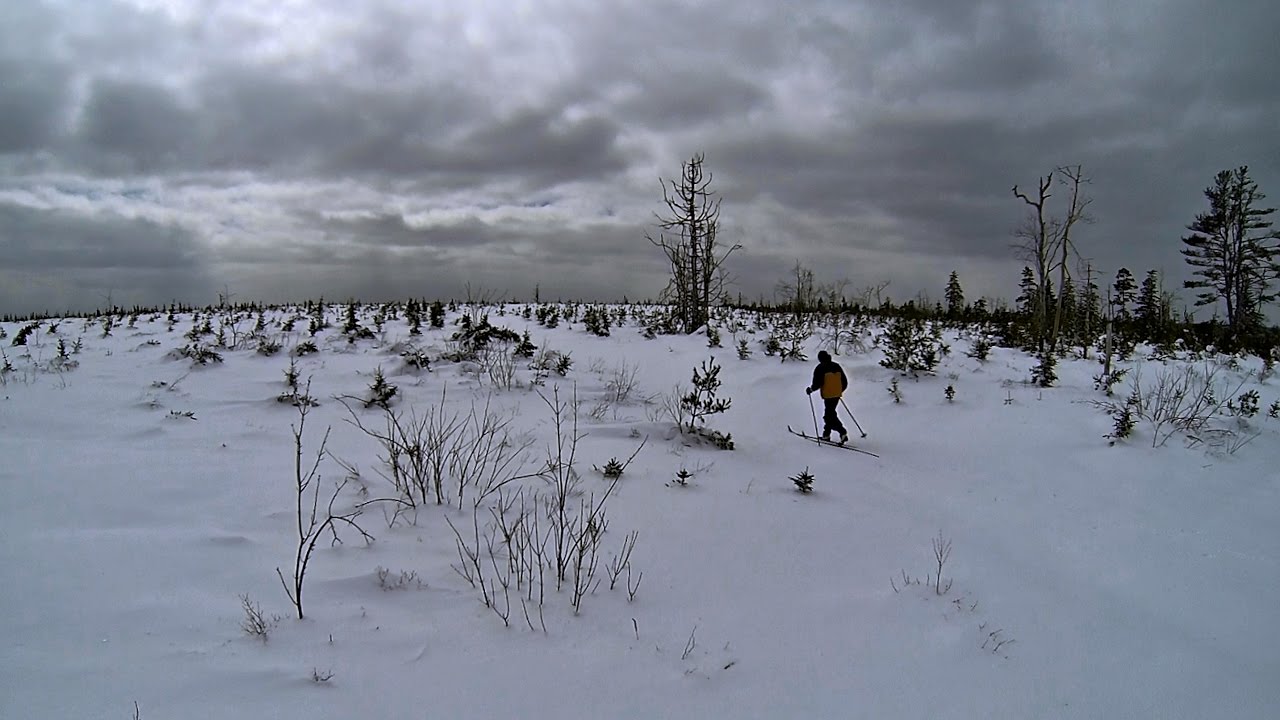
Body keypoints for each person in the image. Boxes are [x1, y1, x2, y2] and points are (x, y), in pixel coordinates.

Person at [806, 350, 848, 443]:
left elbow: (817, 383)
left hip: (828, 395)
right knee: (830, 413)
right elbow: (844, 381)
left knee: (828, 416)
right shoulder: (836, 366)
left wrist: (810, 390)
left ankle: (842, 432)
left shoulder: (820, 368)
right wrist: (839, 391)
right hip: (836, 395)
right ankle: (826, 435)